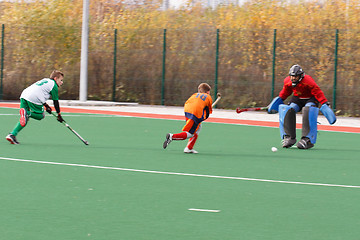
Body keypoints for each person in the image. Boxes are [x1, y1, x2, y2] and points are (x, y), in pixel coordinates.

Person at [267, 64, 336, 149]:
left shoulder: (308, 81)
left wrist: (324, 103)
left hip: (310, 98)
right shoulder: (287, 81)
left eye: (295, 76)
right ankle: (289, 137)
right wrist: (278, 100)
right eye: (292, 76)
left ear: (301, 75)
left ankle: (307, 139)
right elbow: (285, 92)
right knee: (288, 110)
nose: (293, 78)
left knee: (308, 110)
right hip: (297, 98)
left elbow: (318, 92)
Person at [6, 70, 65, 144]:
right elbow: (56, 102)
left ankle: (12, 135)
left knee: (24, 118)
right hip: (34, 98)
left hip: (24, 95)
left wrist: (46, 106)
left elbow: (39, 91)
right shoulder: (54, 85)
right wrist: (59, 115)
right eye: (61, 80)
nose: (62, 82)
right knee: (40, 116)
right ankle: (27, 113)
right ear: (56, 78)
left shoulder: (45, 80)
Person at [163, 83, 213, 154]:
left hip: (187, 110)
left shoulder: (195, 95)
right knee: (190, 134)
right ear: (207, 92)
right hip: (195, 112)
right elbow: (208, 113)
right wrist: (201, 118)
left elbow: (191, 103)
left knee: (198, 127)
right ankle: (172, 137)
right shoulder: (208, 97)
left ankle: (189, 148)